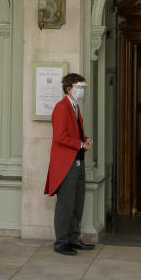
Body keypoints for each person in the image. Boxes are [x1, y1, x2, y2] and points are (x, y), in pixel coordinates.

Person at [44, 72, 95, 256]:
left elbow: (75, 133)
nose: (82, 91)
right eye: (79, 88)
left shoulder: (75, 107)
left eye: (83, 88)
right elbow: (60, 137)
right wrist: (81, 144)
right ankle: (61, 243)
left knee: (77, 202)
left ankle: (74, 239)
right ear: (69, 89)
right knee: (65, 204)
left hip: (78, 160)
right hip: (67, 163)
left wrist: (85, 139)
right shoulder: (61, 108)